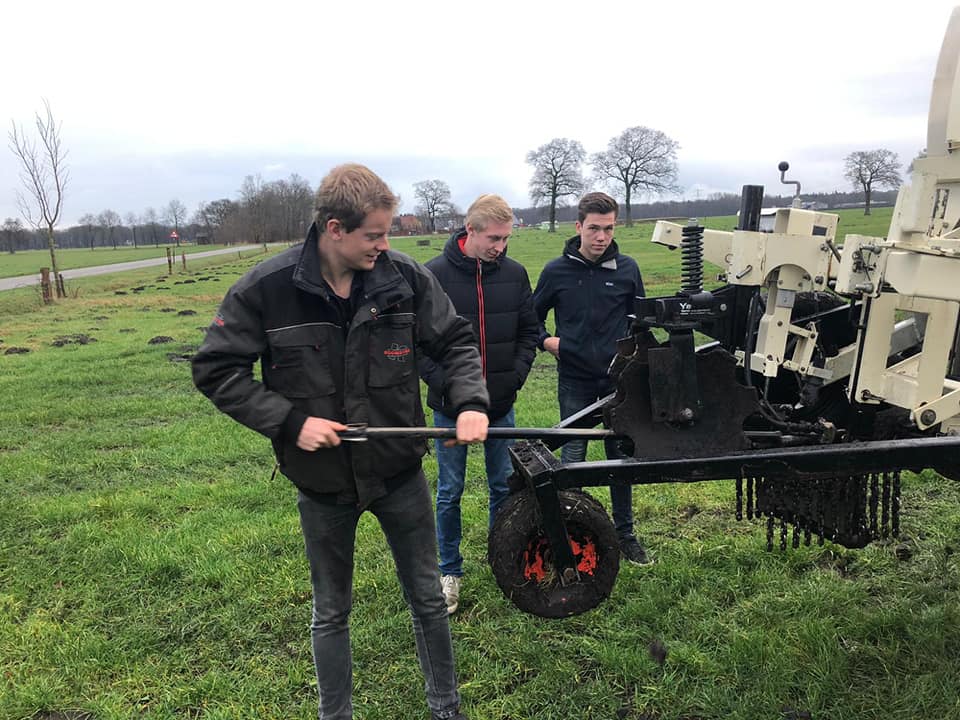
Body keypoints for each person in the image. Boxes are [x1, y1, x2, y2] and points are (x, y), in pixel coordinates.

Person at [192, 164, 487, 720]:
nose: (386, 243)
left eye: (388, 232)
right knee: (331, 610)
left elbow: (453, 343)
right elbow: (215, 369)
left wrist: (470, 402)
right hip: (324, 484)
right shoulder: (267, 290)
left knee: (427, 599)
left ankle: (446, 708)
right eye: (374, 234)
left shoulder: (404, 278)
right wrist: (287, 421)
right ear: (334, 229)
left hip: (399, 474)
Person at [419, 194, 539, 614]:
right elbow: (418, 345)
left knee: (503, 487)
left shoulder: (515, 274)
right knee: (449, 491)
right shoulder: (432, 275)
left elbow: (530, 333)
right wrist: (448, 386)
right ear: (469, 231)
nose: (500, 247)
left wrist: (515, 376)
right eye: (494, 238)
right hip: (450, 409)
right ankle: (448, 572)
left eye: (506, 239)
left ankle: (502, 560)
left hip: (501, 404)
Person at [532, 191, 650, 565]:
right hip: (575, 380)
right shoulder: (556, 271)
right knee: (573, 457)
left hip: (619, 383)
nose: (602, 237)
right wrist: (548, 341)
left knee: (620, 459)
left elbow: (641, 322)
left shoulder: (628, 269)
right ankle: (572, 534)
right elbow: (531, 317)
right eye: (594, 229)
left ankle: (625, 535)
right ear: (579, 226)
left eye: (609, 229)